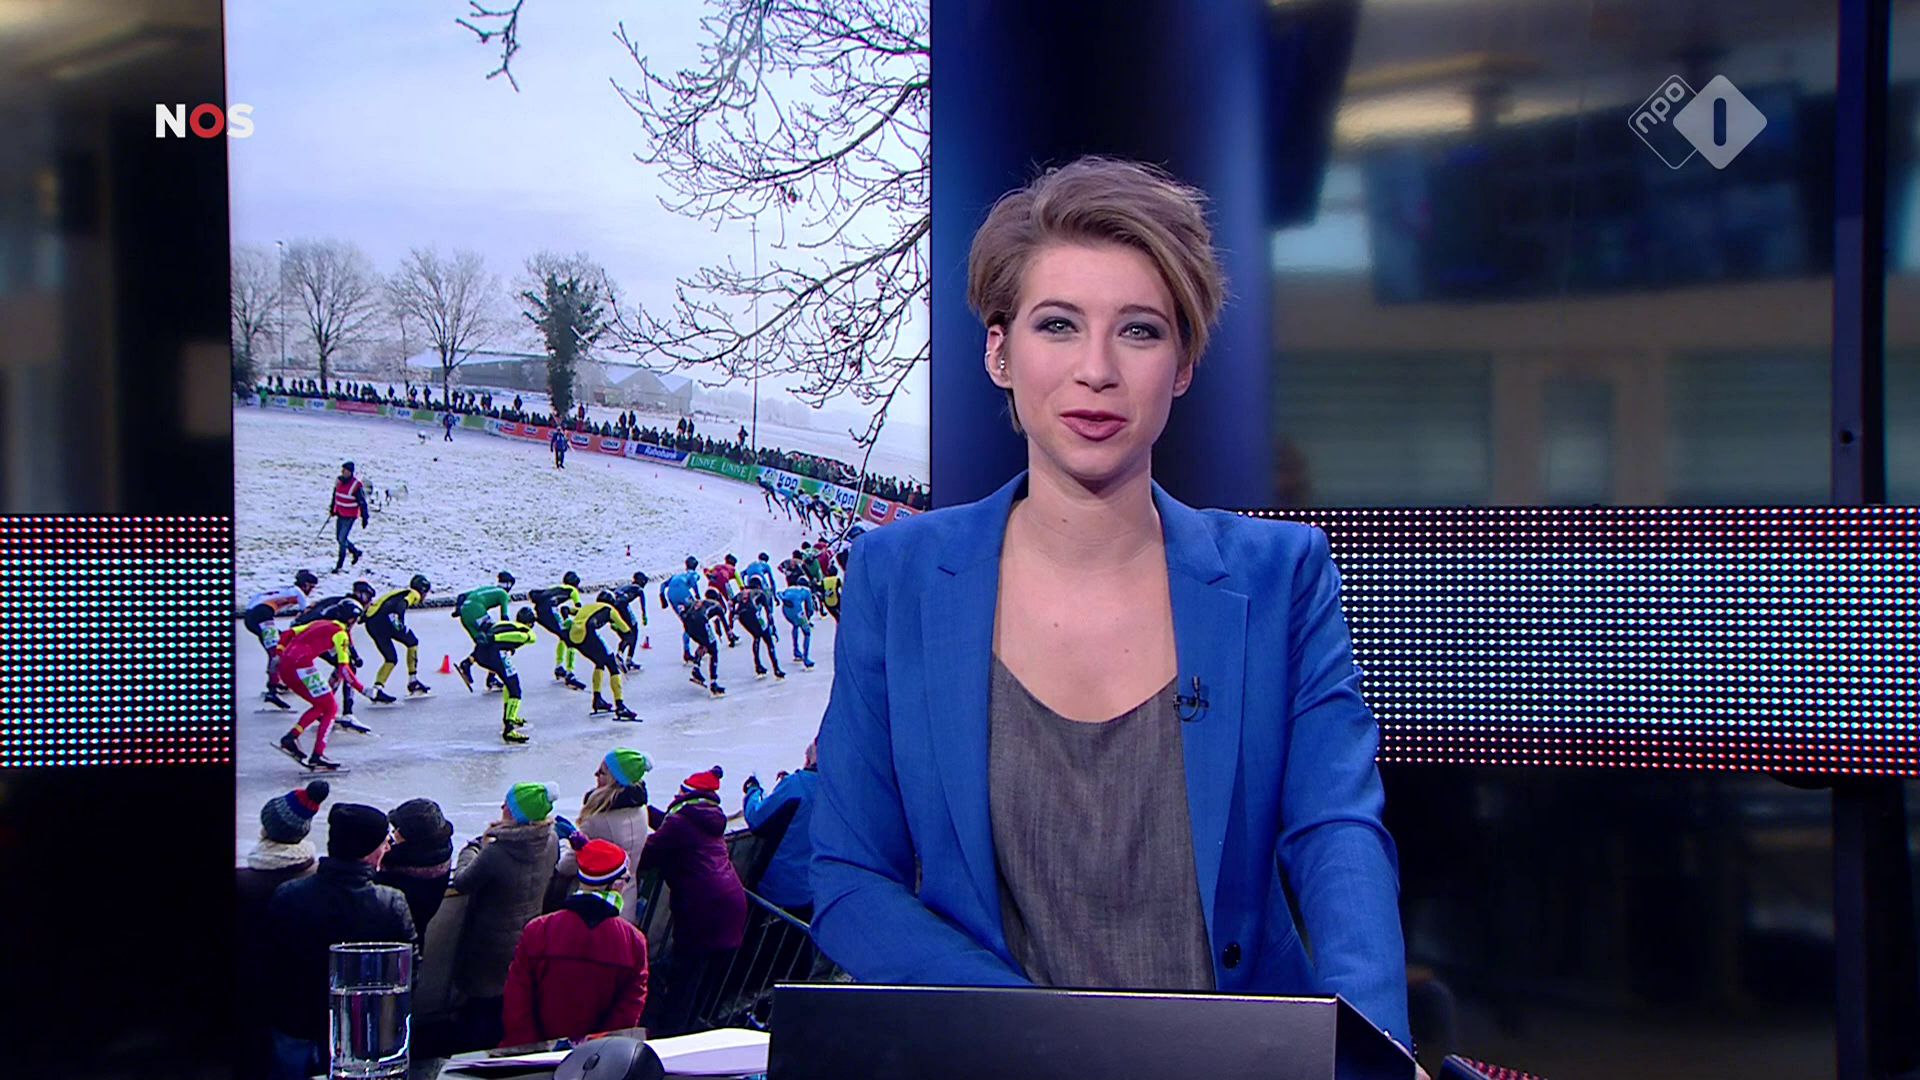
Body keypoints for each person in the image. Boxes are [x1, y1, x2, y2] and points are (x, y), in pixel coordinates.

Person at [807, 157, 1412, 1056]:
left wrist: (1374, 1052)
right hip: (1002, 1063)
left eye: (1139, 331)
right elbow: (852, 878)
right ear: (999, 352)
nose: (1096, 371)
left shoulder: (1283, 575)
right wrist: (1058, 1043)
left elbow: (1338, 834)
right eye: (1058, 325)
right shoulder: (897, 576)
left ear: (1183, 365)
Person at [262, 803, 414, 1080]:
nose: (387, 848)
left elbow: (267, 961)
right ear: (369, 851)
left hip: (293, 1018)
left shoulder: (288, 895)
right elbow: (407, 971)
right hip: (356, 1029)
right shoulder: (390, 903)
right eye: (384, 842)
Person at [501, 838, 650, 1046]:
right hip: (595, 1055)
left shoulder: (539, 930)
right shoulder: (633, 942)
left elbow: (517, 998)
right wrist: (596, 1047)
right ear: (615, 884)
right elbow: (629, 1009)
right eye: (625, 879)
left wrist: (529, 1045)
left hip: (536, 1050)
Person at [449, 783, 564, 1052]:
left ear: (515, 814)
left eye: (507, 806)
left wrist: (471, 849)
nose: (502, 807)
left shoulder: (497, 852)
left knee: (481, 1009)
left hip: (489, 944)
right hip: (526, 937)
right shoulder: (551, 841)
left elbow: (463, 881)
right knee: (510, 1002)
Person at [638, 771, 747, 1036]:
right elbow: (673, 827)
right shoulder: (707, 819)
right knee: (703, 982)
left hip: (702, 911)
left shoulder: (681, 823)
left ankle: (671, 1038)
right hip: (731, 904)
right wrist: (645, 810)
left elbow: (646, 853)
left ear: (685, 794)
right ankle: (694, 1032)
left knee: (684, 981)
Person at [237, 782, 330, 1075]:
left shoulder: (244, 882)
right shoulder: (321, 878)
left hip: (259, 995)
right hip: (310, 998)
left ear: (265, 829)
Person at [549, 749, 653, 922]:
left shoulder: (597, 819)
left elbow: (567, 866)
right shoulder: (641, 810)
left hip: (597, 908)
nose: (595, 774)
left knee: (560, 828)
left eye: (602, 772)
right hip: (627, 900)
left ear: (614, 780)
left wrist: (564, 845)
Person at [272, 610, 367, 772]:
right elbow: (344, 669)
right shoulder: (341, 634)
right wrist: (363, 690)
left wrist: (278, 653)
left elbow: (287, 633)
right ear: (351, 620)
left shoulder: (319, 623)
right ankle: (318, 755)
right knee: (331, 708)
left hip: (285, 665)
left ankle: (291, 737)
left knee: (320, 705)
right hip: (302, 667)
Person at [742, 742, 819, 917]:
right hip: (812, 890)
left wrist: (753, 790)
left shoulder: (796, 786)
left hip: (777, 886)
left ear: (808, 760)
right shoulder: (838, 790)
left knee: (756, 927)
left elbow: (756, 819)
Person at [376, 797, 456, 948]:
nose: (394, 832)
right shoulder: (439, 861)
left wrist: (381, 855)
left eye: (398, 830)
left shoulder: (395, 875)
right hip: (415, 942)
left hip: (387, 946)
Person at [242, 569, 319, 709]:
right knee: (277, 653)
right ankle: (272, 690)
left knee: (276, 649)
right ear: (306, 585)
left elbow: (257, 598)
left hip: (252, 615)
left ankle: (275, 682)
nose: (311, 591)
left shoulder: (284, 589)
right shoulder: (299, 593)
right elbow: (307, 614)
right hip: (263, 615)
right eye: (311, 588)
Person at [467, 606, 540, 743]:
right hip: (497, 655)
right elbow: (519, 636)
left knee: (508, 684)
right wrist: (494, 638)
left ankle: (510, 715)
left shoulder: (505, 623)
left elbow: (489, 629)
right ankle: (509, 728)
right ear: (530, 623)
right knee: (515, 689)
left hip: (482, 654)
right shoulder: (527, 632)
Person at [570, 591, 638, 721]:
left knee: (599, 662)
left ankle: (597, 700)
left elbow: (570, 610)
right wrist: (626, 640)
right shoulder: (609, 609)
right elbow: (626, 630)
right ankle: (620, 706)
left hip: (574, 637)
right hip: (588, 633)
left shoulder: (588, 607)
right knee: (613, 666)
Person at [365, 574, 433, 702]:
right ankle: (413, 681)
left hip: (371, 622)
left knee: (390, 658)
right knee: (412, 642)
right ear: (423, 590)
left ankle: (377, 689)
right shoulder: (414, 594)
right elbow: (402, 605)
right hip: (386, 621)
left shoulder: (398, 592)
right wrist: (399, 620)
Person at [453, 572, 516, 691]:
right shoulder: (503, 594)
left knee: (483, 644)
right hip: (477, 611)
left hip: (465, 614)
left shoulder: (488, 589)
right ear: (509, 585)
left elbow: (462, 596)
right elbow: (505, 618)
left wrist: (457, 610)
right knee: (496, 640)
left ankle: (467, 663)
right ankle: (490, 677)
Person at [530, 572, 587, 690]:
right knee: (571, 639)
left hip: (540, 612)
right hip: (551, 610)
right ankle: (570, 673)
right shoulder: (572, 590)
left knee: (563, 636)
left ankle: (559, 667)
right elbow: (579, 609)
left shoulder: (556, 587)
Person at [730, 579, 785, 680]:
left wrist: (732, 617)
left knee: (756, 637)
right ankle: (776, 668)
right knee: (768, 640)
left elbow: (731, 602)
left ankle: (758, 665)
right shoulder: (760, 593)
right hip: (754, 614)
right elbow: (768, 612)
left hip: (742, 617)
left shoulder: (741, 593)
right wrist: (772, 627)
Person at [679, 588, 730, 696]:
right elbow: (724, 622)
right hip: (701, 622)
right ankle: (713, 682)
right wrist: (730, 635)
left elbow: (684, 611)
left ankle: (696, 668)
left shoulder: (698, 602)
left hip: (688, 624)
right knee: (713, 650)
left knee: (704, 644)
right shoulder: (716, 604)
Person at [658, 556, 704, 663]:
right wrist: (697, 596)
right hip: (683, 594)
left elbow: (663, 584)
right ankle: (702, 643)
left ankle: (687, 651)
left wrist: (662, 597)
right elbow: (694, 582)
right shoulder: (693, 574)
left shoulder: (677, 575)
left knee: (686, 621)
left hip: (671, 595)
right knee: (696, 617)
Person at [328, 461, 370, 572]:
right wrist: (332, 509)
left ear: (350, 472)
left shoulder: (356, 486)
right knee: (339, 538)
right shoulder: (339, 482)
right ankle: (355, 552)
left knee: (342, 539)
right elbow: (335, 496)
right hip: (340, 513)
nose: (343, 472)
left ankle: (339, 565)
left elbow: (362, 502)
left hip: (350, 516)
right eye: (342, 470)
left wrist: (365, 517)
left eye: (345, 470)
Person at [607, 572, 650, 672]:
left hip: (612, 608)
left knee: (625, 634)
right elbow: (643, 603)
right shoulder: (638, 589)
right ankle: (625, 658)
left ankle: (621, 655)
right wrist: (644, 616)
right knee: (633, 631)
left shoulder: (626, 586)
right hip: (623, 606)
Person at [776, 581, 818, 670]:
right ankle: (806, 659)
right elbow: (810, 608)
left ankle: (796, 650)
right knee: (807, 633)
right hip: (797, 611)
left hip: (786, 611)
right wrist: (808, 618)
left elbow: (780, 594)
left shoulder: (790, 588)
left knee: (795, 626)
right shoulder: (806, 591)